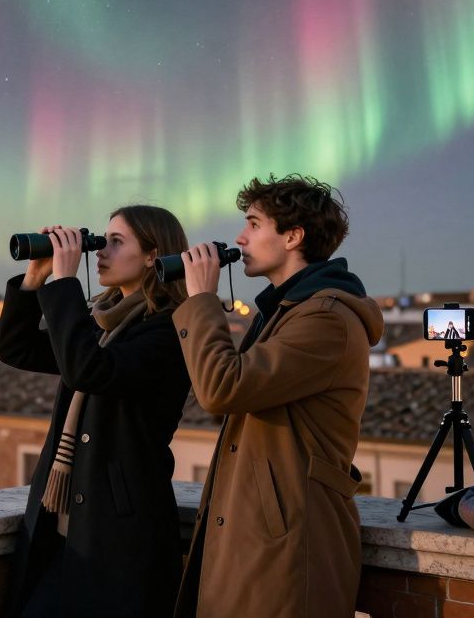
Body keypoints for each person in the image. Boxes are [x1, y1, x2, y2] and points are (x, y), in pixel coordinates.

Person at [174, 174, 384, 617]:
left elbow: (221, 388)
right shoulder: (286, 310)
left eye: (253, 224)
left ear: (293, 236)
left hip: (290, 545)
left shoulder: (325, 319)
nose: (239, 237)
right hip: (257, 536)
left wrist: (202, 299)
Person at [0, 205, 191, 618]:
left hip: (121, 536)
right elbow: (17, 349)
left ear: (154, 255)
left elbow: (89, 371)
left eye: (115, 243)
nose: (99, 252)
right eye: (101, 241)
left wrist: (67, 280)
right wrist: (36, 278)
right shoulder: (100, 325)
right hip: (66, 534)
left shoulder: (169, 330)